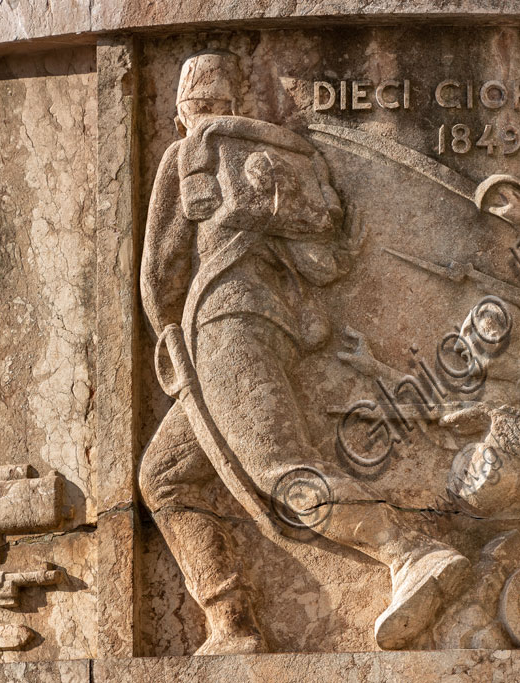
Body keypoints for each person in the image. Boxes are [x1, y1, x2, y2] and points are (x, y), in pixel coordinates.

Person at [138, 49, 470, 654]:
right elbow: (322, 260)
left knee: (276, 470)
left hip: (224, 324)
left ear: (185, 113)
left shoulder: (189, 155)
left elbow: (161, 268)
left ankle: (408, 550)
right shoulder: (279, 157)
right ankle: (232, 624)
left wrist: (166, 325)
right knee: (164, 478)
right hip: (272, 326)